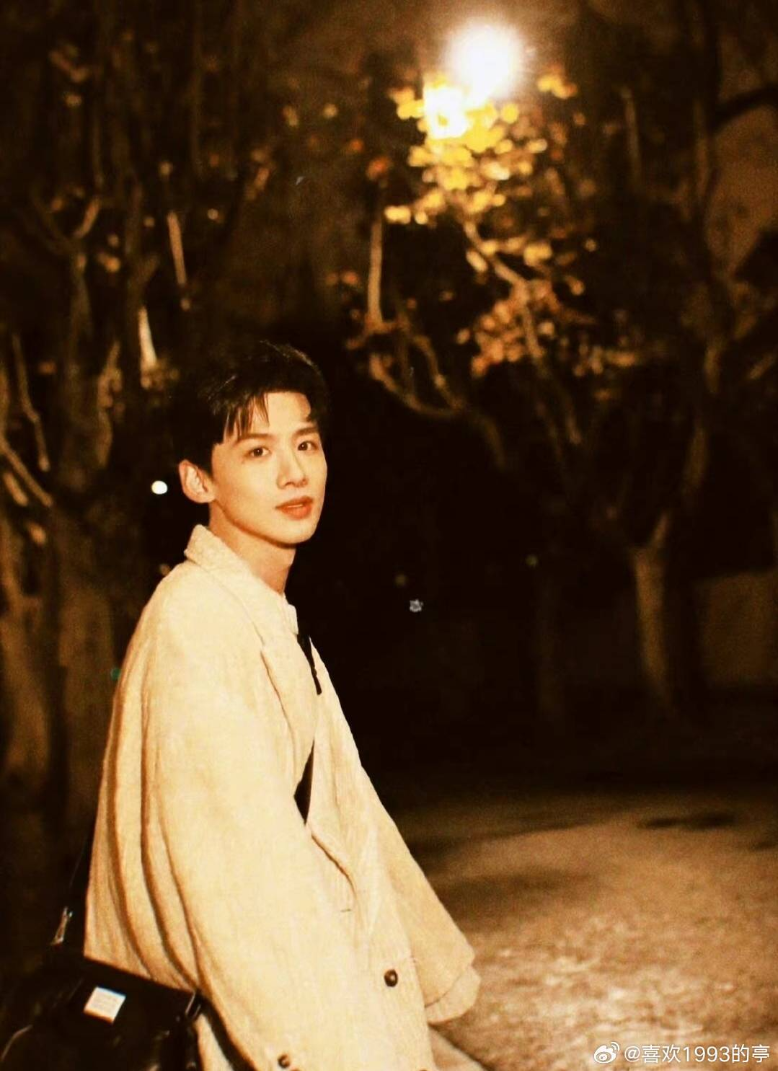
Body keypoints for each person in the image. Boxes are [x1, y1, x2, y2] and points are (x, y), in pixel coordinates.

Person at [85, 339, 479, 1071]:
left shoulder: (257, 612)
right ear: (198, 479)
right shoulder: (197, 627)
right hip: (262, 1038)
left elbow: (353, 828)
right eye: (258, 451)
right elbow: (242, 891)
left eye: (306, 443)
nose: (294, 472)